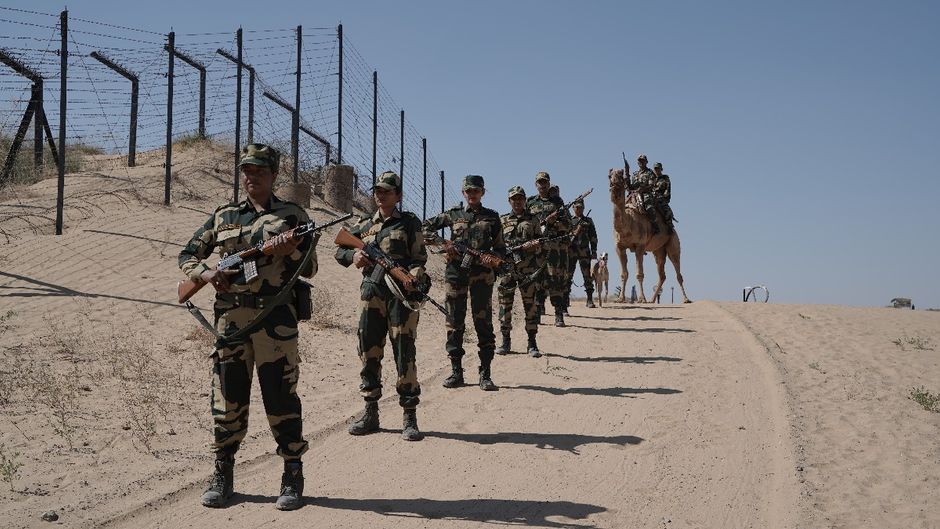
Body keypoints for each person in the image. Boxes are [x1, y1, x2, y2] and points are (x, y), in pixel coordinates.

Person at [178, 143, 314, 511]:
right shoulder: (223, 216)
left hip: (275, 320)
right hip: (231, 322)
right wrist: (206, 273)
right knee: (227, 396)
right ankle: (222, 472)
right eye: (246, 170)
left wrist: (291, 250)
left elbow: (311, 267)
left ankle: (292, 472)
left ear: (273, 174)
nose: (251, 176)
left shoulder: (292, 215)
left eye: (259, 170)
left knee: (281, 395)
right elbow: (188, 255)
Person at [334, 171, 428, 441]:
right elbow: (339, 249)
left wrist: (412, 276)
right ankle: (370, 411)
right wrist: (354, 256)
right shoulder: (364, 224)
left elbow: (419, 257)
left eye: (387, 191)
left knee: (404, 352)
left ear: (398, 195)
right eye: (377, 190)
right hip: (371, 295)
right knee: (368, 350)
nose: (380, 194)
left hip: (400, 296)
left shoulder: (409, 222)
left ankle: (409, 415)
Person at [422, 174, 505, 391]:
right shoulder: (454, 214)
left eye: (476, 191)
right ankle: (456, 371)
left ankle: (485, 373)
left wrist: (492, 258)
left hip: (482, 277)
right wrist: (444, 243)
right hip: (456, 275)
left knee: (483, 322)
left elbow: (501, 249)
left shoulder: (492, 217)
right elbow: (425, 227)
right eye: (468, 191)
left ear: (483, 192)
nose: (472, 195)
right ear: (463, 193)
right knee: (454, 321)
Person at [496, 185, 543, 357]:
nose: (517, 202)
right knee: (504, 306)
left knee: (530, 306)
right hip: (506, 270)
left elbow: (542, 243)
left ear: (525, 200)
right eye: (514, 199)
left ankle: (532, 342)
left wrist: (534, 246)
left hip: (527, 271)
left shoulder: (533, 220)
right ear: (509, 201)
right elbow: (496, 245)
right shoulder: (501, 221)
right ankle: (505, 341)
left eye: (520, 198)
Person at [526, 171, 571, 327]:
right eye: (539, 182)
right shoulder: (530, 203)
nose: (542, 185)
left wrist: (554, 223)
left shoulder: (557, 202)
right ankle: (537, 313)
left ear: (549, 183)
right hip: (536, 248)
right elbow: (523, 222)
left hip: (553, 247)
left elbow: (568, 225)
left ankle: (559, 314)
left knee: (555, 281)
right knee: (537, 280)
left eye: (545, 182)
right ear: (536, 184)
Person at [566, 199, 599, 308]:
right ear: (573, 208)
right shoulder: (569, 220)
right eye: (577, 207)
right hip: (571, 251)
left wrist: (594, 250)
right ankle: (566, 300)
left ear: (584, 208)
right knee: (568, 275)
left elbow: (593, 237)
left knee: (587, 276)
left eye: (581, 207)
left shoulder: (588, 220)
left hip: (584, 251)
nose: (579, 209)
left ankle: (589, 299)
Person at [629, 154, 660, 234]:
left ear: (646, 162)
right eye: (640, 161)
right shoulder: (635, 174)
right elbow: (631, 187)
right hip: (635, 194)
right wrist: (627, 181)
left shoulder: (650, 173)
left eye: (643, 161)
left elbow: (651, 185)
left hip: (646, 193)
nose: (641, 162)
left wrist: (642, 189)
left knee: (648, 206)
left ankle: (655, 225)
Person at [652, 162, 675, 233]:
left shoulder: (665, 179)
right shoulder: (651, 178)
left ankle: (669, 226)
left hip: (661, 198)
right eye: (655, 169)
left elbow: (667, 191)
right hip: (650, 196)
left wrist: (663, 197)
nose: (657, 170)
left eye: (658, 168)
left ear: (661, 169)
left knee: (668, 212)